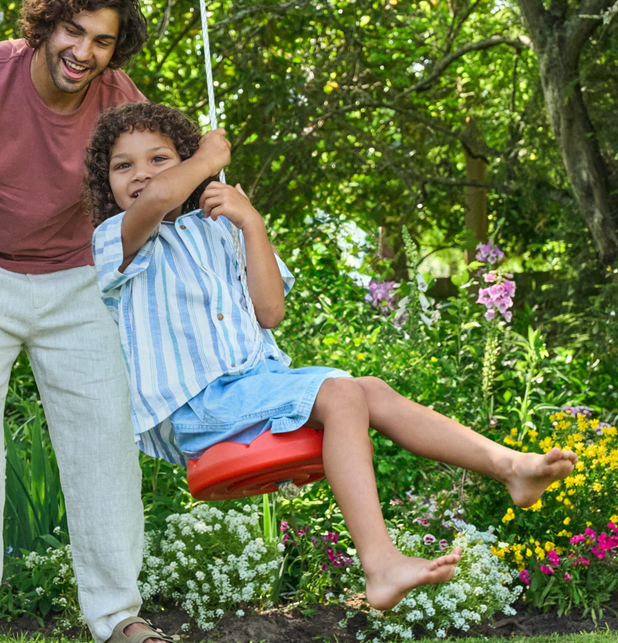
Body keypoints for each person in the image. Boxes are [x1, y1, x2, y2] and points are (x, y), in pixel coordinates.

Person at [84, 102, 579, 610]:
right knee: (341, 393)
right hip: (199, 405)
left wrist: (251, 223)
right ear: (108, 183)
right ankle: (380, 564)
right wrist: (207, 158)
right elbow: (163, 194)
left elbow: (270, 312)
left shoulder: (220, 227)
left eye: (159, 159)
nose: (142, 174)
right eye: (124, 166)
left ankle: (510, 467)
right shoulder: (118, 241)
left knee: (371, 391)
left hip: (253, 385)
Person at [0, 0, 178, 643]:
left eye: (101, 40)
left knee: (103, 436)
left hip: (74, 279)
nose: (83, 51)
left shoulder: (115, 96)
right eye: (73, 30)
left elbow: (152, 177)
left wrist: (208, 174)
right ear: (44, 24)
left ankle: (119, 615)